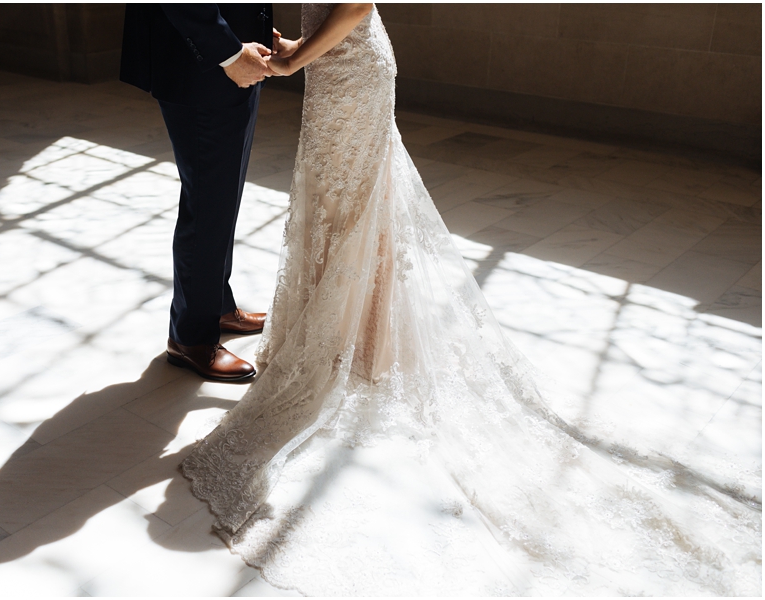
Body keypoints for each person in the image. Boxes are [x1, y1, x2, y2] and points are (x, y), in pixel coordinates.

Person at [180, 4, 761, 596]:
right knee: (338, 207)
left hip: (351, 73)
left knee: (352, 208)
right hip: (333, 68)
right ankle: (355, 343)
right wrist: (304, 46)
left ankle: (362, 347)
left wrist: (299, 57)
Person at [120, 4, 294, 381]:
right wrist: (228, 51)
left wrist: (252, 28)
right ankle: (191, 338)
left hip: (224, 52)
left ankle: (215, 306)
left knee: (220, 198)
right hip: (201, 62)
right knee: (208, 203)